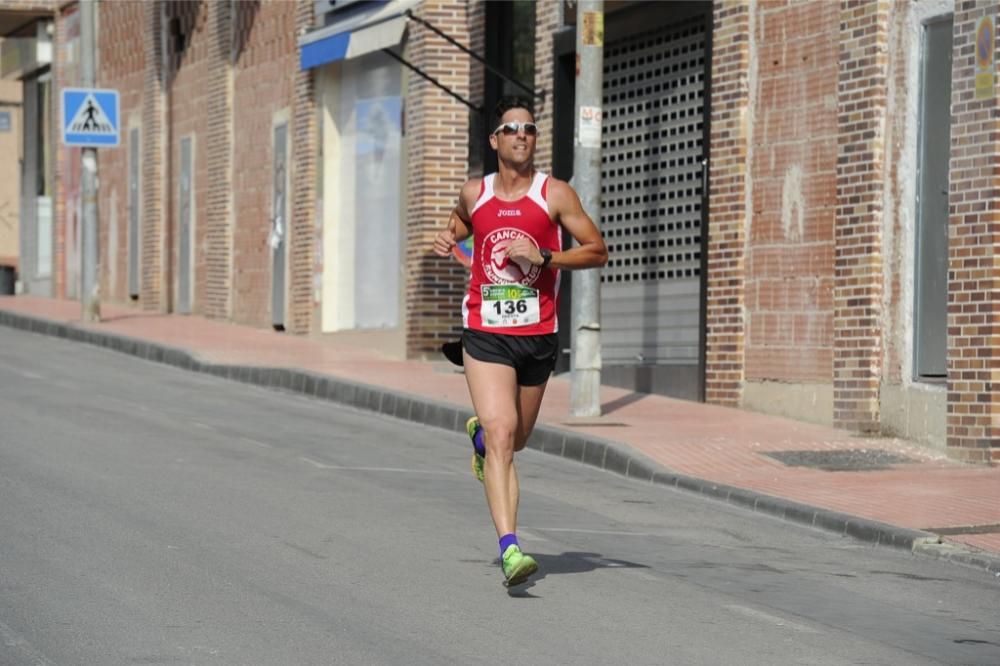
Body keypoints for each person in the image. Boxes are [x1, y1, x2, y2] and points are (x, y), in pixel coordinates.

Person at [433, 96, 608, 587]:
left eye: (529, 129)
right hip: (485, 332)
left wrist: (546, 256)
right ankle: (511, 549)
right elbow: (462, 223)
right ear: (494, 140)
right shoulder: (475, 193)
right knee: (505, 434)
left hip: (537, 335)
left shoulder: (555, 195)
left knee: (517, 438)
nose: (521, 135)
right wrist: (447, 237)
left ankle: (481, 438)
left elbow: (597, 251)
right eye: (511, 128)